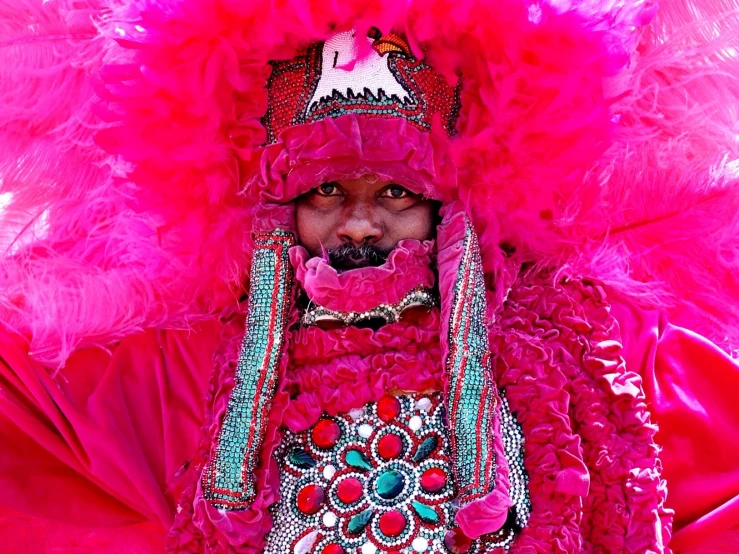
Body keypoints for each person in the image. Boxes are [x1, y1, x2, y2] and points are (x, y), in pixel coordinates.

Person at [1, 1, 739, 553]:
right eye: (326, 192)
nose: (358, 226)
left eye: (394, 193)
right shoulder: (198, 373)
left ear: (449, 204)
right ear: (279, 207)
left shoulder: (586, 344)